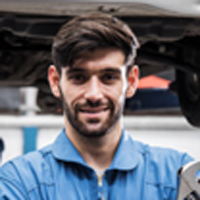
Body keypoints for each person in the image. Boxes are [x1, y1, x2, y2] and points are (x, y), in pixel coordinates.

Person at [0, 13, 193, 200]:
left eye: (108, 78)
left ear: (132, 81)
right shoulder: (19, 181)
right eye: (78, 78)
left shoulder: (176, 175)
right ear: (55, 81)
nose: (93, 94)